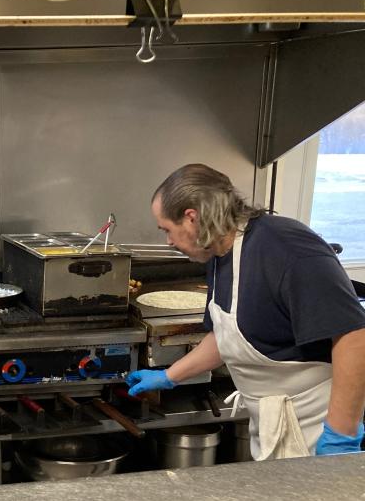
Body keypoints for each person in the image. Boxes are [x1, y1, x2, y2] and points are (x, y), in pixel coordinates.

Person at [127, 163, 365, 460]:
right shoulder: (219, 252)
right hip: (273, 422)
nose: (169, 241)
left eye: (168, 230)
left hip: (317, 425)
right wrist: (168, 376)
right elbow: (227, 337)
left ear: (192, 218)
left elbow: (354, 337)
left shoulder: (287, 247)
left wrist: (341, 434)